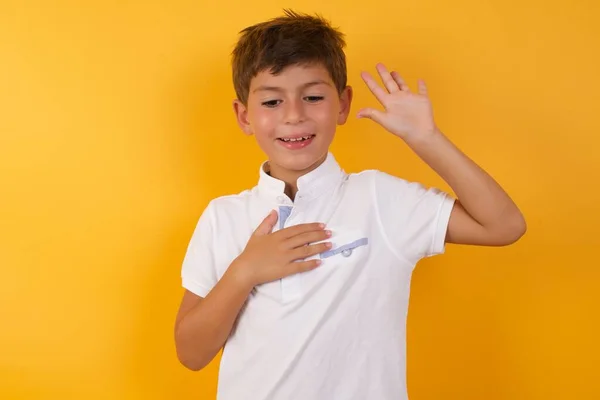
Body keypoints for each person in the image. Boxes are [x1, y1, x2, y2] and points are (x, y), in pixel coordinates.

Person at [174, 9, 526, 400]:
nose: (294, 115)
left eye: (312, 97)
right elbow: (191, 353)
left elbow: (504, 226)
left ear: (342, 105)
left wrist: (426, 138)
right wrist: (244, 272)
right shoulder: (223, 216)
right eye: (272, 102)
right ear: (244, 116)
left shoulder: (380, 198)